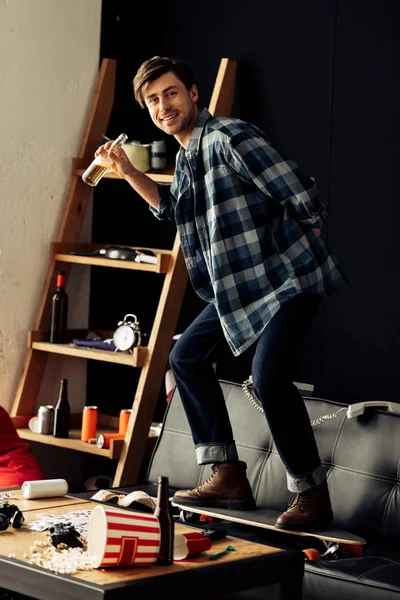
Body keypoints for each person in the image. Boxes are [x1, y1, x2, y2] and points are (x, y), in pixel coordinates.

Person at [96, 56, 347, 529]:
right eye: (152, 100)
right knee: (185, 357)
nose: (163, 105)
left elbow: (301, 193)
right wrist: (128, 171)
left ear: (193, 93)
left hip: (284, 280)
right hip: (240, 289)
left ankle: (312, 493)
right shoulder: (189, 153)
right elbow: (172, 210)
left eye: (170, 93)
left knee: (268, 377)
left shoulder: (229, 135)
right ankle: (228, 474)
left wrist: (303, 240)